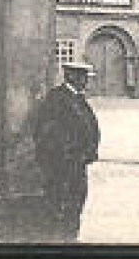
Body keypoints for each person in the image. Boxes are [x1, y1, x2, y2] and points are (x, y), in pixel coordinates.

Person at [29, 61, 101, 241]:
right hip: (62, 167)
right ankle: (60, 243)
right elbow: (46, 133)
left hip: (77, 165)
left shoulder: (77, 97)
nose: (86, 81)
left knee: (76, 204)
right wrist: (68, 154)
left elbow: (89, 125)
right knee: (60, 205)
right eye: (83, 77)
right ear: (71, 76)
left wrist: (88, 151)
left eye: (86, 77)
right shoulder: (56, 99)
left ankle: (70, 240)